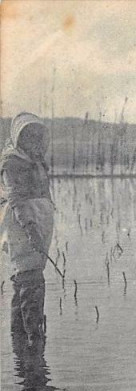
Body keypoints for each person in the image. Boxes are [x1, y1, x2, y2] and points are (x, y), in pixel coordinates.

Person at [0, 112, 55, 345]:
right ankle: (33, 341)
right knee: (31, 281)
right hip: (24, 227)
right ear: (19, 138)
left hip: (37, 224)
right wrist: (31, 230)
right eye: (28, 138)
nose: (33, 142)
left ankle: (22, 345)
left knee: (24, 281)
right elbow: (17, 201)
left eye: (36, 137)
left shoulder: (34, 160)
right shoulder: (13, 163)